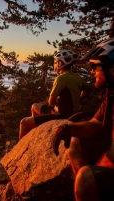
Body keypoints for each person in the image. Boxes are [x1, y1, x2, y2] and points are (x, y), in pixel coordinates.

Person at [52, 37, 114, 201]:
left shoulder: (60, 78)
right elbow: (95, 124)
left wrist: (96, 169)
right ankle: (85, 191)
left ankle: (87, 184)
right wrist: (69, 129)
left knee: (86, 177)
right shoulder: (111, 94)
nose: (92, 71)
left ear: (112, 69)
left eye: (96, 67)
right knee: (74, 142)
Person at [19, 49, 92, 140]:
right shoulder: (77, 77)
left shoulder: (61, 78)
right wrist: (79, 99)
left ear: (60, 64)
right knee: (34, 106)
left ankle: (25, 144)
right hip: (67, 112)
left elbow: (51, 101)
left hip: (61, 115)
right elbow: (89, 89)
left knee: (24, 122)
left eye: (55, 62)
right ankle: (36, 134)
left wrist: (57, 107)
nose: (54, 64)